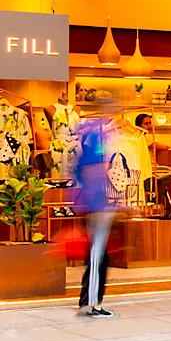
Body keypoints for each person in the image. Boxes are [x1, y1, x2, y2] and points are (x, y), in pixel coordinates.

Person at [74, 96, 119, 317]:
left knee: (100, 255)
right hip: (96, 203)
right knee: (96, 254)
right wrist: (101, 201)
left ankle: (92, 301)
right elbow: (91, 169)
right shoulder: (96, 135)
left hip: (97, 201)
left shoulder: (95, 133)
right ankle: (91, 303)